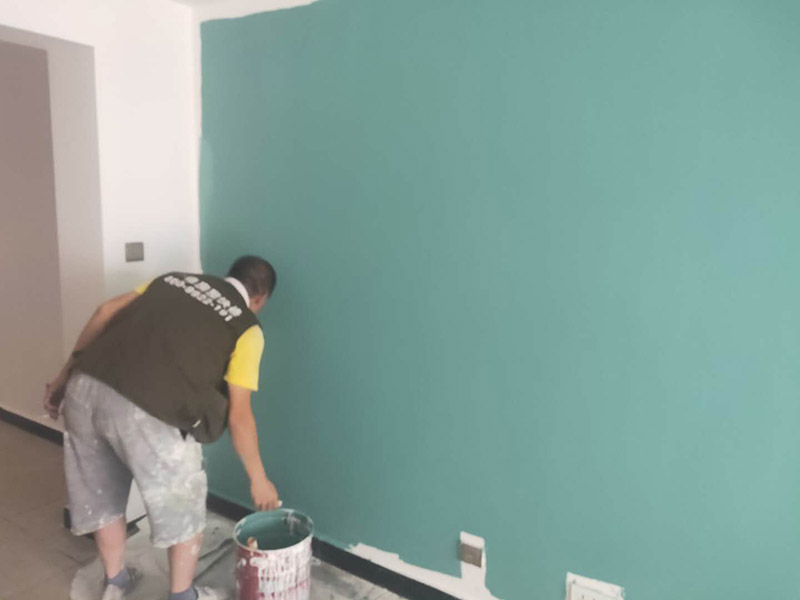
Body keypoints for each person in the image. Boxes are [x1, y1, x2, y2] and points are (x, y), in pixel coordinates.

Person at [43, 256, 281, 600]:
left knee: (101, 496)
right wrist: (258, 479)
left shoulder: (173, 279)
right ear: (260, 299)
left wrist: (63, 378)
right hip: (148, 411)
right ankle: (183, 595)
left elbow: (104, 311)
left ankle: (115, 581)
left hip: (85, 388)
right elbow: (239, 416)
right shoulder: (247, 329)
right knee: (183, 502)